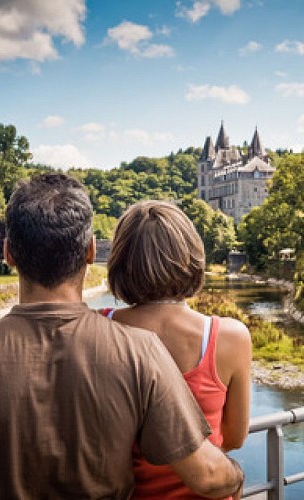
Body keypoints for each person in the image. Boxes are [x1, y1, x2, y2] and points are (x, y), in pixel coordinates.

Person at [0, 174, 244, 499]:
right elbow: (207, 473)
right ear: (91, 250)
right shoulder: (140, 351)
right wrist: (237, 476)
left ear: (8, 253)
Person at [105, 200, 252, 499]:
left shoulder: (99, 327)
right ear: (192, 257)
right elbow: (235, 438)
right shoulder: (230, 336)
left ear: (120, 262)